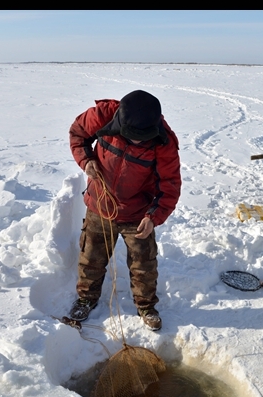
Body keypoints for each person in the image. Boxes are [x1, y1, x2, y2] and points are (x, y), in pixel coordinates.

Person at [67, 90, 181, 331]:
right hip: (100, 204)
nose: (139, 141)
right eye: (133, 136)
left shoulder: (164, 141)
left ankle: (146, 306)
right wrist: (87, 160)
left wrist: (153, 217)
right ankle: (86, 299)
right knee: (91, 258)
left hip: (138, 213)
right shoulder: (103, 115)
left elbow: (170, 185)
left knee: (144, 264)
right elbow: (78, 134)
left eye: (144, 137)